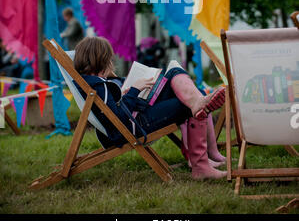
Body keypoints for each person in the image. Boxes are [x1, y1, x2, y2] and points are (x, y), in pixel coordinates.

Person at [73, 36, 227, 180]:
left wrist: (125, 94)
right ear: (101, 60)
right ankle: (200, 164)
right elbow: (117, 118)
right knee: (187, 102)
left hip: (133, 118)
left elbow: (113, 110)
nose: (111, 63)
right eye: (109, 59)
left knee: (176, 75)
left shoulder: (92, 82)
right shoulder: (99, 86)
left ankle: (204, 151)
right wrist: (134, 90)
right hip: (133, 126)